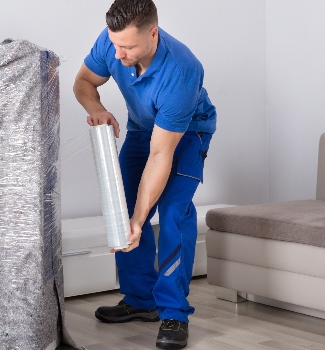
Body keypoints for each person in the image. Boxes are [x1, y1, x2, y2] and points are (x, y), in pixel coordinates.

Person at [73, 0, 216, 348]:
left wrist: (140, 217)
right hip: (141, 131)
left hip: (184, 135)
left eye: (128, 47)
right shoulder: (112, 41)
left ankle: (173, 314)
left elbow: (161, 153)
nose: (118, 54)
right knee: (120, 210)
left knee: (172, 213)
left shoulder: (182, 70)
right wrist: (99, 110)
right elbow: (83, 83)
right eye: (115, 44)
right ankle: (140, 301)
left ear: (152, 34)